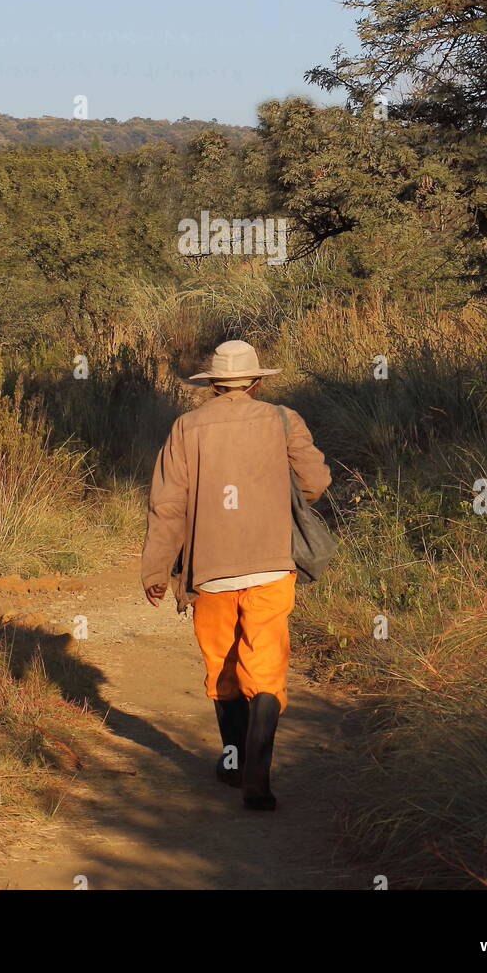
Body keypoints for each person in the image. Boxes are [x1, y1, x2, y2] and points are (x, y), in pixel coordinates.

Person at [141, 339, 331, 810]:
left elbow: (168, 505)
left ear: (212, 385)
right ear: (257, 381)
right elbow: (315, 483)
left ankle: (233, 760)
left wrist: (156, 568)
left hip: (209, 568)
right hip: (271, 564)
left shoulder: (186, 427)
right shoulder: (283, 420)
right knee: (263, 666)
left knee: (221, 666)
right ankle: (257, 773)